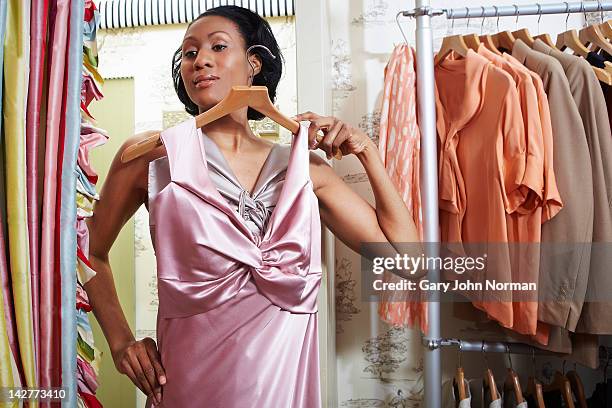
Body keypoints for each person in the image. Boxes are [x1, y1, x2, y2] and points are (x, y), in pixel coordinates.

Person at [84, 5, 419, 407]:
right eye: (189, 53)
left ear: (254, 63)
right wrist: (121, 343)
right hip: (190, 383)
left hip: (281, 388)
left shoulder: (305, 170)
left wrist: (367, 152)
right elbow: (89, 251)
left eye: (217, 47)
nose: (200, 59)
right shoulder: (151, 158)